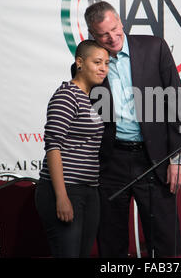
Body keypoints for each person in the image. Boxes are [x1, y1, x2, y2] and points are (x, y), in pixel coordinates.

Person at [85, 1, 181, 257]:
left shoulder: (154, 48)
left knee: (166, 240)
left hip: (154, 159)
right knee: (111, 241)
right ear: (92, 35)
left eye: (115, 28)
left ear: (121, 21)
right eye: (103, 34)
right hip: (111, 162)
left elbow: (176, 103)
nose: (112, 37)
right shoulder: (89, 63)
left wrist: (178, 158)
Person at [35, 39, 110, 258]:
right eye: (97, 62)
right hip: (65, 189)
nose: (103, 68)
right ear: (80, 62)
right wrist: (62, 196)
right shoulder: (66, 95)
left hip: (89, 190)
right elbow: (53, 146)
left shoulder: (89, 99)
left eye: (106, 63)